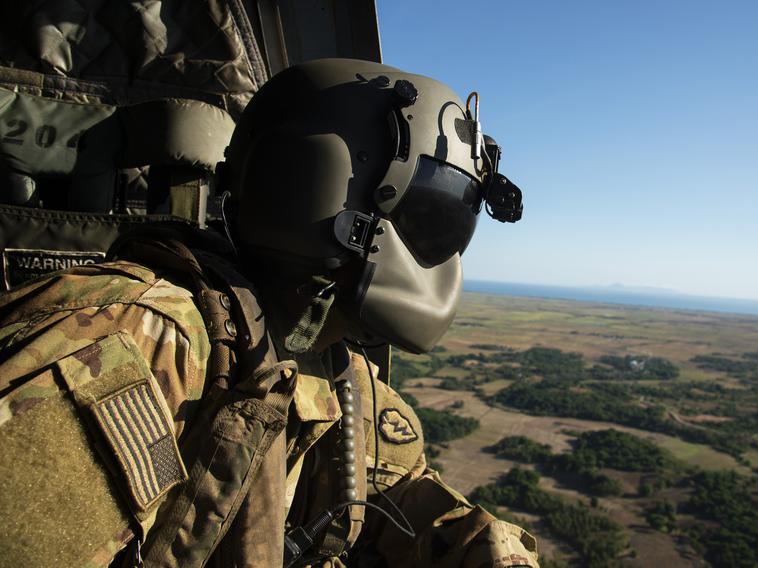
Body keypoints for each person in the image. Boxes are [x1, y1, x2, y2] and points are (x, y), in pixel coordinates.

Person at [0, 59, 535, 568]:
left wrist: (486, 547)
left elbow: (395, 490)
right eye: (428, 217)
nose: (439, 251)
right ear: (315, 184)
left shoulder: (322, 357)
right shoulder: (139, 345)